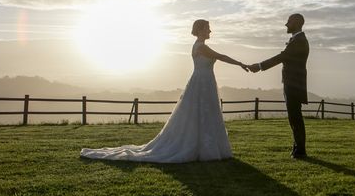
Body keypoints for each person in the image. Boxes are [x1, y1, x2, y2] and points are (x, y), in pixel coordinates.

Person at [80, 19, 248, 163]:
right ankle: (202, 148)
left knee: (204, 113)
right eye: (207, 28)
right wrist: (242, 64)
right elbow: (222, 56)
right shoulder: (201, 47)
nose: (210, 30)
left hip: (204, 82)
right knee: (200, 113)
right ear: (201, 30)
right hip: (202, 83)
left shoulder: (200, 46)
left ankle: (206, 148)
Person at [248, 13, 309, 158]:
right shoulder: (296, 40)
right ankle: (297, 149)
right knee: (294, 117)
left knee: (295, 117)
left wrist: (259, 66)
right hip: (292, 83)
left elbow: (282, 57)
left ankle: (300, 151)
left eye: (288, 22)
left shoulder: (299, 40)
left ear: (296, 22)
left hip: (294, 84)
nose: (286, 25)